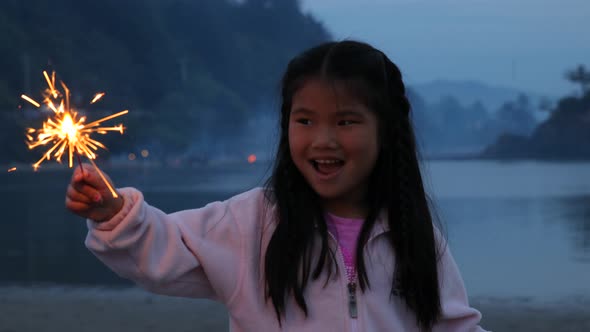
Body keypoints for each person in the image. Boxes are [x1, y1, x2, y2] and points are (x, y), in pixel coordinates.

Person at [66, 40, 487, 331]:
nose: (323, 139)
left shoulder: (414, 234)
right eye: (304, 120)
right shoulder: (251, 224)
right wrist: (115, 214)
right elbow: (165, 248)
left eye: (346, 121)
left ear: (387, 130)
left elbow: (455, 325)